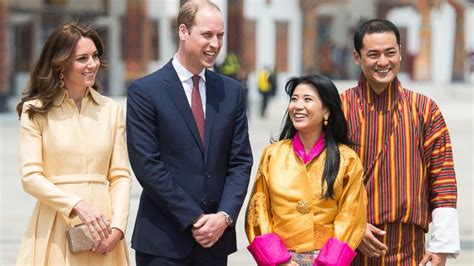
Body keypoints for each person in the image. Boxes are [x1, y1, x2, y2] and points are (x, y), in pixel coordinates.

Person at [126, 1, 253, 265]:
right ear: (183, 32)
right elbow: (147, 166)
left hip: (215, 241)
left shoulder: (231, 93)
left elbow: (240, 162)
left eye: (220, 36)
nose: (215, 44)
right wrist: (194, 219)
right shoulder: (145, 91)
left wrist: (225, 217)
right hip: (163, 242)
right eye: (207, 35)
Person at [340, 19, 460, 265]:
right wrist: (352, 225)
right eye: (373, 54)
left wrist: (441, 246)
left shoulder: (425, 109)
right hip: (348, 246)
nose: (383, 62)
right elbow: (320, 179)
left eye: (390, 53)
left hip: (409, 248)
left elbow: (443, 178)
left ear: (400, 53)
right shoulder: (338, 108)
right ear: (356, 57)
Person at [16, 22, 131, 265]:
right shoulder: (35, 111)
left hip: (104, 228)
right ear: (61, 64)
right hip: (56, 223)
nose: (93, 64)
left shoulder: (112, 110)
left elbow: (120, 176)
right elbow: (30, 177)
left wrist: (118, 227)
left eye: (95, 56)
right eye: (82, 58)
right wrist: (76, 205)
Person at [245, 74, 367, 265]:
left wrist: (327, 262)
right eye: (294, 99)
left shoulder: (347, 160)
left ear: (326, 111)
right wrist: (280, 261)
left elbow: (351, 216)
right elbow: (258, 210)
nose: (298, 106)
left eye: (307, 99)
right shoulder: (273, 155)